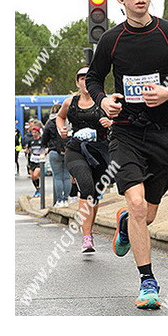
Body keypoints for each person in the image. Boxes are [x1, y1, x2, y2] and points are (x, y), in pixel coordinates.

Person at [86, 0, 168, 309]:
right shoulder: (111, 40)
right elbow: (94, 78)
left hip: (162, 133)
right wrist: (102, 100)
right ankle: (148, 281)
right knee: (136, 205)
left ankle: (125, 223)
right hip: (126, 132)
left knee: (145, 216)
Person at [56, 67, 112, 254]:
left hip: (100, 152)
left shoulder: (105, 102)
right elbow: (60, 117)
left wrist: (111, 123)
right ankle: (86, 237)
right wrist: (61, 129)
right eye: (82, 78)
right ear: (77, 82)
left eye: (89, 78)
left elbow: (123, 122)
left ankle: (89, 231)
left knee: (94, 194)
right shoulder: (70, 102)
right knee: (86, 187)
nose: (85, 81)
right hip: (76, 150)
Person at [41, 104, 71, 208]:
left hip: (54, 151)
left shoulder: (50, 123)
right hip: (68, 151)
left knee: (57, 177)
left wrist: (46, 147)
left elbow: (44, 139)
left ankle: (59, 200)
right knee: (67, 176)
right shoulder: (67, 121)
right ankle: (66, 199)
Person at [24, 126, 43, 197]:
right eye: (33, 132)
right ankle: (38, 189)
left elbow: (47, 148)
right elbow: (28, 149)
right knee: (32, 177)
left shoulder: (42, 140)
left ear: (38, 133)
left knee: (36, 175)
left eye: (35, 132)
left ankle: (39, 190)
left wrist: (44, 153)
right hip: (32, 160)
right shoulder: (31, 141)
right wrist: (26, 151)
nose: (34, 134)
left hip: (39, 160)